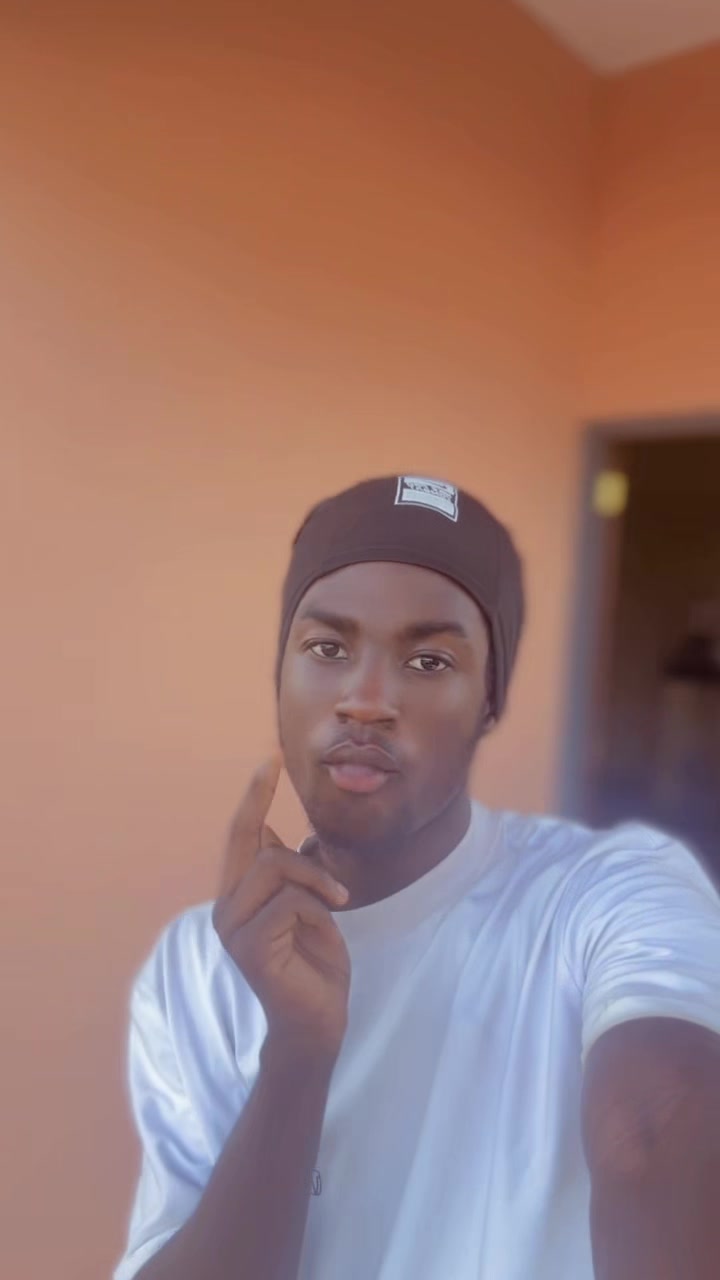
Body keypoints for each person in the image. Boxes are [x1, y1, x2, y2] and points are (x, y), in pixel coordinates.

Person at [114, 475, 720, 1280]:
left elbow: (658, 1124)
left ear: (490, 702)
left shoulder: (605, 893)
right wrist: (298, 1051)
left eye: (429, 660)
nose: (365, 701)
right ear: (279, 674)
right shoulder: (196, 965)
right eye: (327, 649)